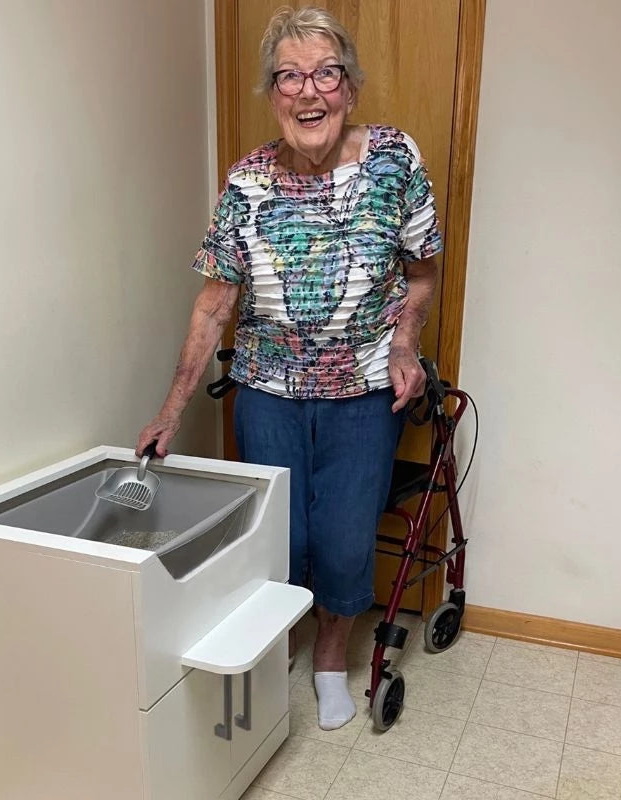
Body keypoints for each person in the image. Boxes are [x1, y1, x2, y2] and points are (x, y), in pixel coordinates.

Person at [136, 5, 442, 731]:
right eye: (290, 77)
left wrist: (403, 346)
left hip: (364, 389)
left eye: (326, 74)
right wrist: (170, 410)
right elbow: (213, 307)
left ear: (351, 87)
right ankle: (282, 640)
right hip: (267, 390)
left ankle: (332, 657)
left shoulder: (395, 161)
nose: (309, 93)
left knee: (341, 535)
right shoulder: (247, 183)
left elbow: (422, 273)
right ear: (273, 93)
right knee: (279, 538)